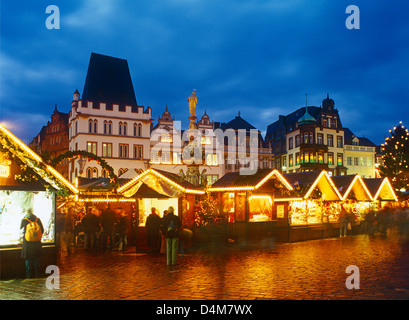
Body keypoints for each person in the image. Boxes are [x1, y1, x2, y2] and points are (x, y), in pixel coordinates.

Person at [20, 208, 44, 278]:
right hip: (36, 244)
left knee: (28, 259)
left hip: (27, 244)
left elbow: (21, 231)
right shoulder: (38, 220)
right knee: (36, 259)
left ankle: (29, 275)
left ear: (27, 212)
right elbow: (42, 231)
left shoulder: (24, 220)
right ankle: (37, 274)